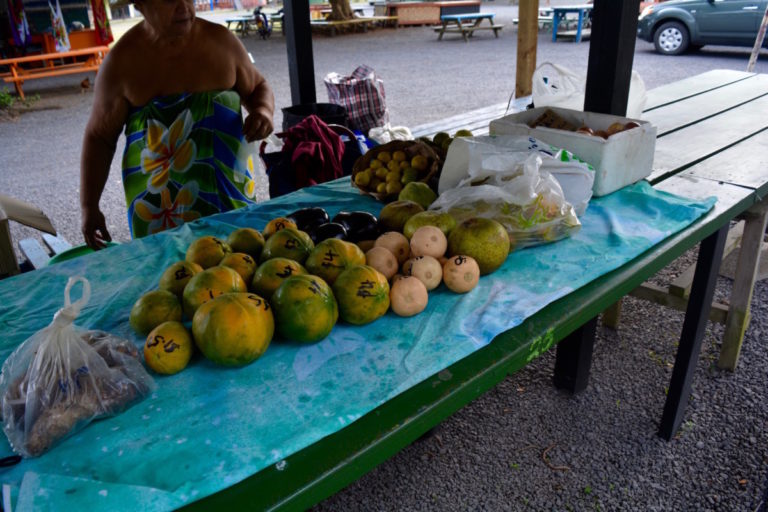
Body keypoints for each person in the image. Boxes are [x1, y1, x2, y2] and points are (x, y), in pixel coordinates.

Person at [80, 0, 274, 249]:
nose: (183, 6)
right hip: (159, 214)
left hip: (228, 200)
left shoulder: (221, 42)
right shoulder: (122, 63)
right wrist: (89, 206)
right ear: (140, 5)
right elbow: (100, 138)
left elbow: (258, 87)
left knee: (239, 269)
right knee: (167, 280)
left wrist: (263, 111)